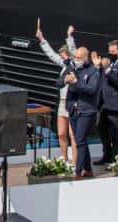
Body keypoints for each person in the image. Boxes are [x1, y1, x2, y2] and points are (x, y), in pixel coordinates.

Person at [35, 21, 77, 165]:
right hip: (62, 102)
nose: (62, 57)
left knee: (73, 134)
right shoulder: (64, 65)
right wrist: (42, 39)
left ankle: (75, 162)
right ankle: (64, 160)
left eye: (64, 55)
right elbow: (51, 55)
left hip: (72, 102)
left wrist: (69, 36)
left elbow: (72, 50)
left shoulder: (74, 65)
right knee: (61, 133)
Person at [63, 45, 101, 178]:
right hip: (73, 109)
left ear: (85, 58)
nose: (76, 59)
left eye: (79, 57)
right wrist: (65, 80)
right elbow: (59, 82)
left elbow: (92, 89)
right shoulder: (73, 68)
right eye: (75, 57)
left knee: (79, 140)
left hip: (86, 110)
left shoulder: (93, 71)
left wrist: (76, 82)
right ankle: (88, 169)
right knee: (82, 140)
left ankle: (78, 171)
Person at [95, 39, 118, 166]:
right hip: (103, 104)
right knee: (102, 130)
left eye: (113, 51)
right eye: (109, 51)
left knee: (116, 133)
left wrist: (107, 69)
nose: (110, 54)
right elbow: (101, 81)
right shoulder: (109, 63)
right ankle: (106, 155)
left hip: (116, 104)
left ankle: (115, 159)